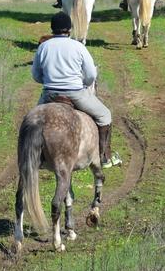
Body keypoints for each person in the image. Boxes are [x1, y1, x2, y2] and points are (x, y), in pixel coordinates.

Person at [32, 12, 122, 168]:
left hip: (49, 94)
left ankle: (36, 155)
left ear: (52, 29)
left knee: (32, 122)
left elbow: (36, 75)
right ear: (69, 29)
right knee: (105, 115)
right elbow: (91, 74)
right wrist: (84, 84)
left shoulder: (43, 47)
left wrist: (47, 81)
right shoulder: (78, 46)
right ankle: (104, 156)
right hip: (75, 93)